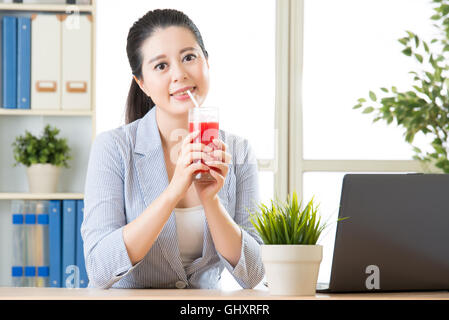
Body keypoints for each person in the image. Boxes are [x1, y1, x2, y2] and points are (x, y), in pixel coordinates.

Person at [81, 8, 264, 289]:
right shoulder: (114, 148)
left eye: (189, 57)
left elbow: (254, 274)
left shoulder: (238, 151)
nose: (179, 74)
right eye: (161, 66)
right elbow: (99, 268)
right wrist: (173, 191)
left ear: (207, 62)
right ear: (142, 83)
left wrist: (211, 201)